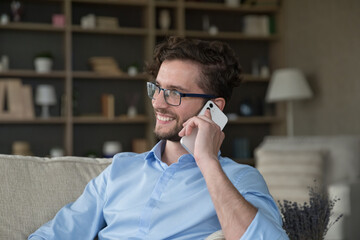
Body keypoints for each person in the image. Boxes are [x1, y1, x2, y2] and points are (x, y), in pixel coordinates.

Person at [29, 36, 289, 240]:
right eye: (157, 89)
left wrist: (208, 162)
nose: (158, 103)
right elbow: (53, 235)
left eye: (174, 93)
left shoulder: (238, 179)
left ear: (214, 108)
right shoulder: (119, 169)